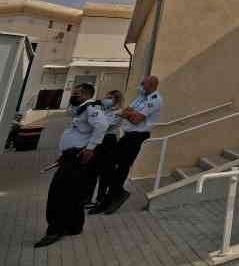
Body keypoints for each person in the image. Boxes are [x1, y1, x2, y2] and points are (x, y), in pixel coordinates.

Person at [34, 83, 108, 248]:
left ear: (86, 94)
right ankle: (74, 226)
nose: (75, 95)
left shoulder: (92, 107)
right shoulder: (83, 107)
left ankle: (54, 230)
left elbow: (102, 125)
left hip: (77, 156)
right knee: (73, 193)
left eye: (77, 93)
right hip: (71, 156)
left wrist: (90, 148)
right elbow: (72, 114)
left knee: (58, 193)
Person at [92, 75, 163, 215]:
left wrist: (129, 114)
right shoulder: (140, 98)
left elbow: (136, 119)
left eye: (143, 84)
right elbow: (125, 111)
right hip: (127, 136)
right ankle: (117, 194)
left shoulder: (155, 100)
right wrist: (130, 113)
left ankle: (111, 198)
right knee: (111, 165)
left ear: (152, 85)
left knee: (122, 167)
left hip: (137, 136)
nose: (141, 86)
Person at [82, 90, 123, 208]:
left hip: (108, 141)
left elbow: (105, 125)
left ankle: (101, 199)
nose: (107, 99)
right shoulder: (102, 110)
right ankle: (87, 198)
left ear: (116, 100)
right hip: (97, 140)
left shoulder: (118, 112)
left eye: (110, 98)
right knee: (91, 170)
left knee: (104, 172)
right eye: (107, 97)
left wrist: (96, 120)